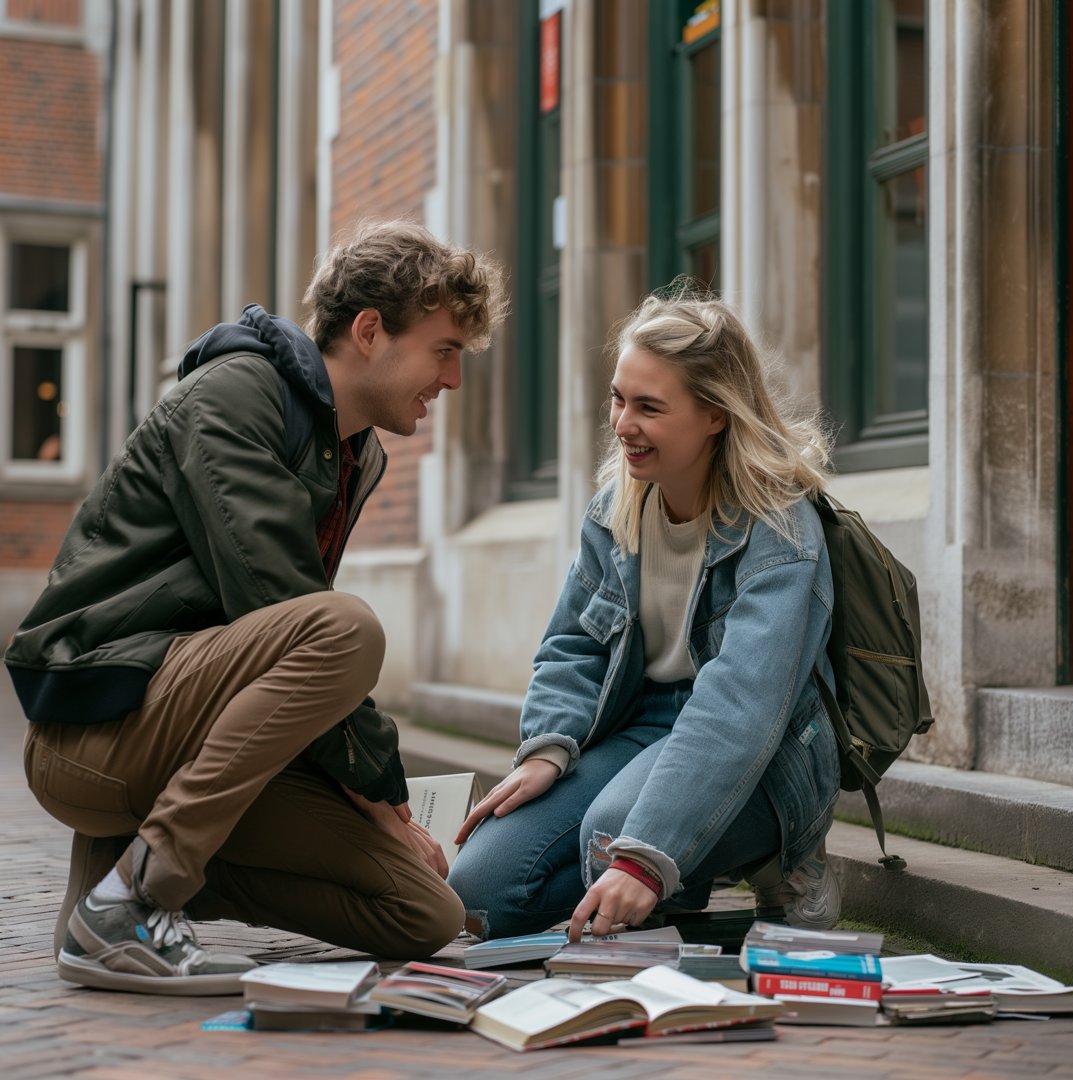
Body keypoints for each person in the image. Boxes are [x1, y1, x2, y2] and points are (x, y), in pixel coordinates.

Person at [5, 219, 507, 994]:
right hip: (94, 728)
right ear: (369, 332)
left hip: (181, 716)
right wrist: (382, 794)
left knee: (424, 912)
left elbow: (272, 649)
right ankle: (140, 896)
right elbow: (282, 602)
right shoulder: (236, 395)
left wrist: (378, 807)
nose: (453, 379)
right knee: (346, 628)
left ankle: (117, 892)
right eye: (443, 350)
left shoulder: (353, 451)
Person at [449, 286, 841, 942]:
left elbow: (741, 706)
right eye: (618, 398)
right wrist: (547, 749)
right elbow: (572, 645)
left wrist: (644, 856)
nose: (622, 423)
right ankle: (664, 882)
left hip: (765, 753)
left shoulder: (780, 531)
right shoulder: (615, 511)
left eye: (649, 407)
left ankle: (775, 856)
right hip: (643, 726)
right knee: (481, 890)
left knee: (614, 836)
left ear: (715, 414)